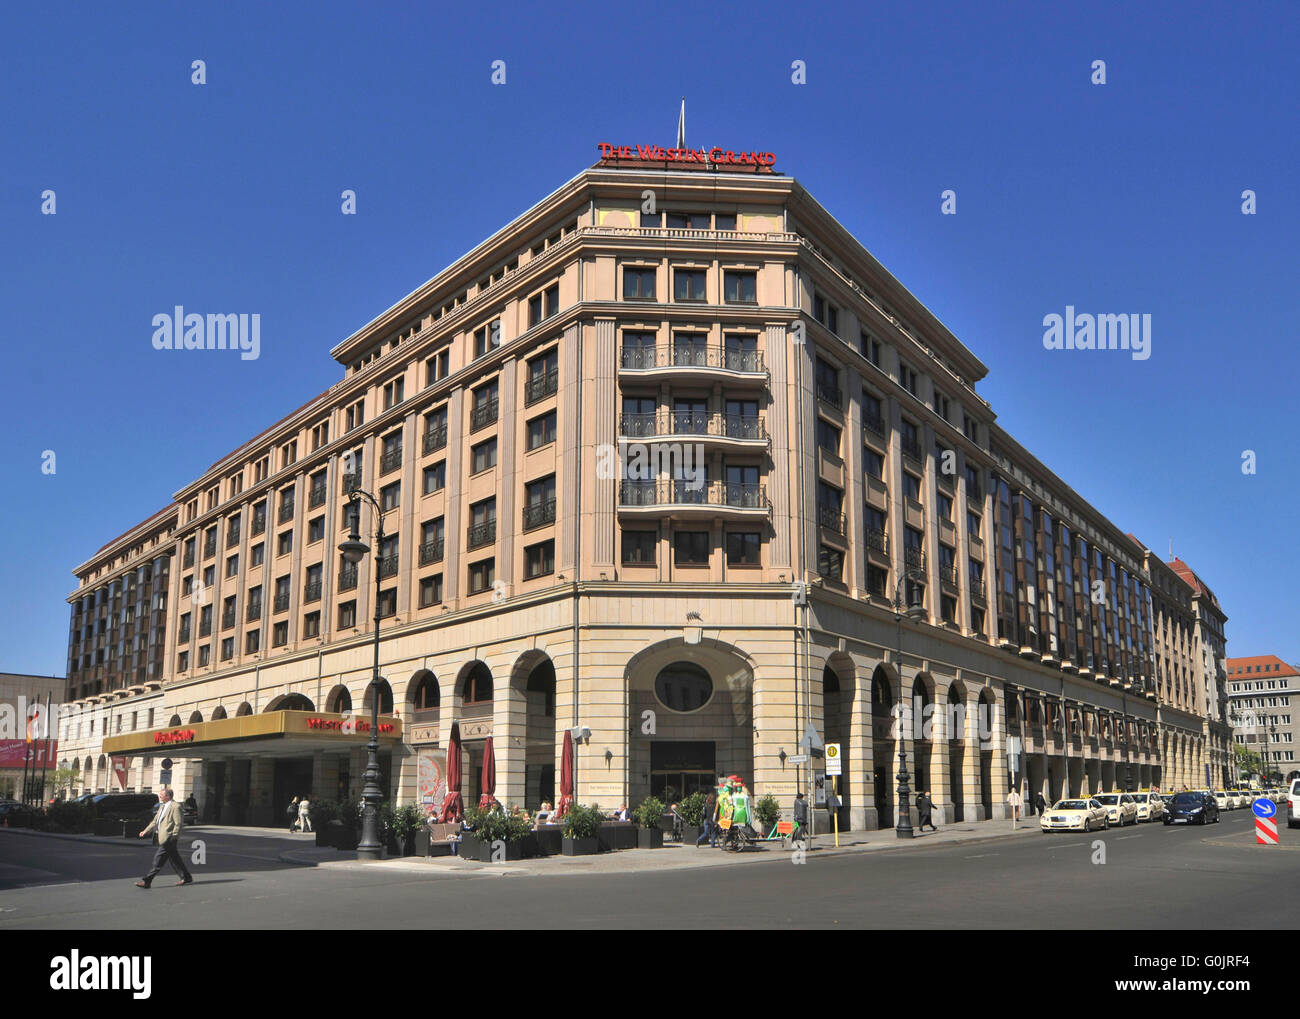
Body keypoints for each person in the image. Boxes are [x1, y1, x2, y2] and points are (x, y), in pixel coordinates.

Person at [135, 789, 193, 888]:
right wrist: (145, 831)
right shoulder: (162, 806)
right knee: (175, 859)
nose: (160, 796)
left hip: (169, 838)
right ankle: (186, 877)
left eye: (161, 795)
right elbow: (155, 821)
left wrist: (174, 836)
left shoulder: (175, 806)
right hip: (161, 837)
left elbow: (178, 823)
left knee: (158, 860)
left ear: (168, 796)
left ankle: (147, 880)